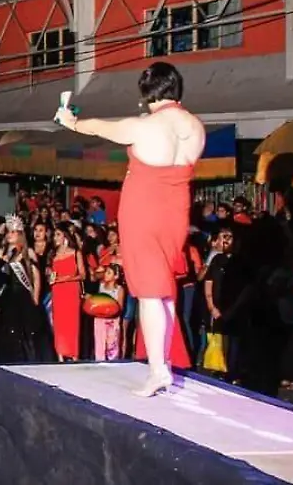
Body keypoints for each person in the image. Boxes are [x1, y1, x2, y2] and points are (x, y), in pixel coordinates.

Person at [55, 61, 203, 396]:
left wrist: (72, 121)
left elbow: (102, 127)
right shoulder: (195, 126)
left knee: (150, 292)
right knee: (164, 291)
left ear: (147, 92)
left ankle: (157, 370)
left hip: (144, 212)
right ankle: (161, 361)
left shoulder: (146, 126)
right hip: (176, 211)